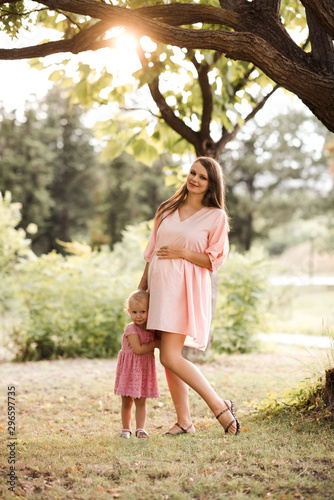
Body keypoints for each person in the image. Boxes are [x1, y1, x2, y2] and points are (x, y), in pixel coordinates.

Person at [138, 156, 240, 436]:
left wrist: (182, 252)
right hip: (160, 288)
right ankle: (184, 421)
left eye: (202, 177)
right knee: (167, 356)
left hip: (185, 291)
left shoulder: (216, 217)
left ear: (211, 184)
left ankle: (219, 406)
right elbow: (151, 254)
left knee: (170, 356)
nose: (194, 179)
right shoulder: (167, 208)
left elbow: (213, 260)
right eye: (192, 173)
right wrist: (141, 290)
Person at [114, 290, 160, 439]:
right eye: (134, 312)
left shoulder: (152, 329)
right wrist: (157, 343)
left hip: (144, 369)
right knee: (127, 400)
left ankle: (140, 429)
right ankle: (126, 429)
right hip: (130, 369)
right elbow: (139, 349)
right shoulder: (131, 329)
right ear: (128, 312)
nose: (138, 315)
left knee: (142, 400)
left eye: (142, 311)